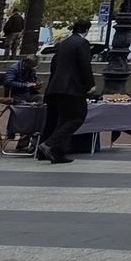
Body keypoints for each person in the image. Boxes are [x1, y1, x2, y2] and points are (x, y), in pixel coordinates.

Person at [39, 18, 97, 164]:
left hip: (56, 87)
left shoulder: (63, 43)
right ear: (87, 30)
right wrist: (90, 84)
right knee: (77, 117)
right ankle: (49, 144)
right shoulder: (82, 43)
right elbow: (85, 64)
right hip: (72, 88)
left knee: (64, 120)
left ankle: (58, 153)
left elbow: (54, 64)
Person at [4, 52, 40, 153]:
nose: (31, 69)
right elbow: (8, 82)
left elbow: (34, 80)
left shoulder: (30, 70)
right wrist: (25, 85)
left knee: (43, 101)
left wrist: (36, 84)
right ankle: (23, 143)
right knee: (27, 115)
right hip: (16, 96)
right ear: (26, 63)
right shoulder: (14, 68)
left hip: (28, 94)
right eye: (31, 67)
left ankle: (36, 140)